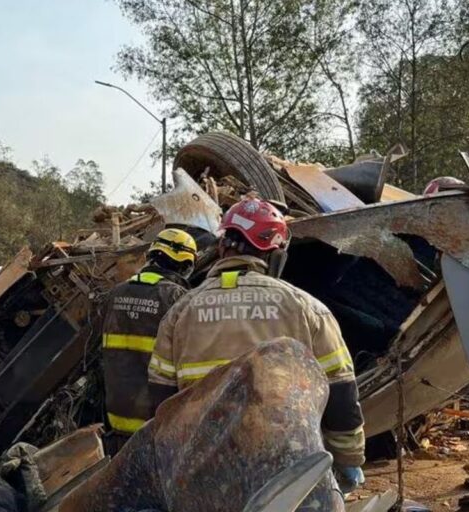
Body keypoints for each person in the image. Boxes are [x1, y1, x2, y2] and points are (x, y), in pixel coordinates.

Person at [148, 197, 366, 494]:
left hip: (204, 471)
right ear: (276, 254)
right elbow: (341, 393)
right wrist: (348, 460)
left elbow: (162, 403)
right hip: (286, 470)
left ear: (222, 247)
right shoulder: (306, 308)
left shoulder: (180, 313)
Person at [99, 228, 195, 454]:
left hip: (115, 418)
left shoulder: (115, 294)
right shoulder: (177, 298)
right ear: (184, 265)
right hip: (153, 423)